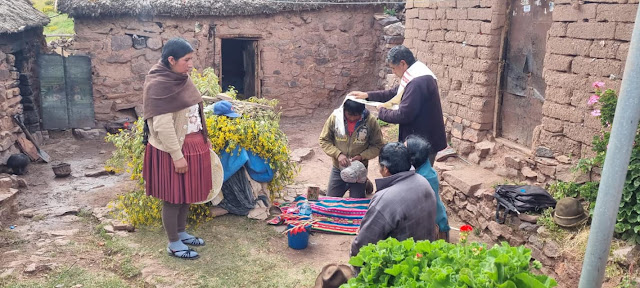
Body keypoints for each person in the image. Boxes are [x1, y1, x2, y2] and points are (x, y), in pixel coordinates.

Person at [142, 38, 211, 260]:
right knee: (172, 197)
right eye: (186, 60)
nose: (190, 64)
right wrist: (177, 156)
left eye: (191, 59)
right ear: (171, 60)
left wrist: (203, 137)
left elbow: (193, 111)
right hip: (171, 149)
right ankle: (173, 242)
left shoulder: (181, 78)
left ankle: (181, 232)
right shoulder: (159, 84)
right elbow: (162, 126)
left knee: (186, 193)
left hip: (191, 145)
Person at [350, 45, 447, 165]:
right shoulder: (414, 72)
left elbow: (404, 115)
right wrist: (367, 95)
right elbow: (395, 93)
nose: (393, 72)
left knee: (419, 175)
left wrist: (382, 111)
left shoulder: (417, 82)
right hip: (420, 135)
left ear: (402, 63)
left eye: (393, 68)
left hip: (423, 141)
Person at [350, 142, 437, 257]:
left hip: (399, 262)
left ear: (385, 169)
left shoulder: (385, 199)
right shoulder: (423, 182)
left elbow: (362, 245)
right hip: (424, 255)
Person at [319, 99, 384, 198]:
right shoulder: (335, 118)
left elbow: (378, 145)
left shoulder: (370, 121)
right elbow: (324, 140)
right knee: (331, 199)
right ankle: (348, 184)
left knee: (356, 201)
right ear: (344, 110)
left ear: (362, 112)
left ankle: (364, 182)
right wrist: (338, 154)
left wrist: (362, 156)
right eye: (349, 114)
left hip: (359, 169)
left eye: (356, 115)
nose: (353, 118)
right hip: (339, 168)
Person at [405, 135, 450, 242]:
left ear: (412, 157)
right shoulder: (425, 168)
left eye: (404, 150)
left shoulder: (423, 179)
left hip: (434, 229)